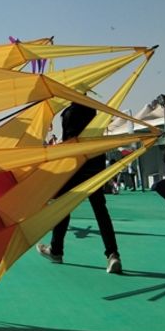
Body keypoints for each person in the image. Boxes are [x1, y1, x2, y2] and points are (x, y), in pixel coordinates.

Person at [37, 103, 123, 274]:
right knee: (100, 210)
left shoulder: (69, 113)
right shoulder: (92, 110)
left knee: (63, 205)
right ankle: (112, 254)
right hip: (94, 164)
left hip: (75, 165)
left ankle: (56, 250)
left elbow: (69, 141)